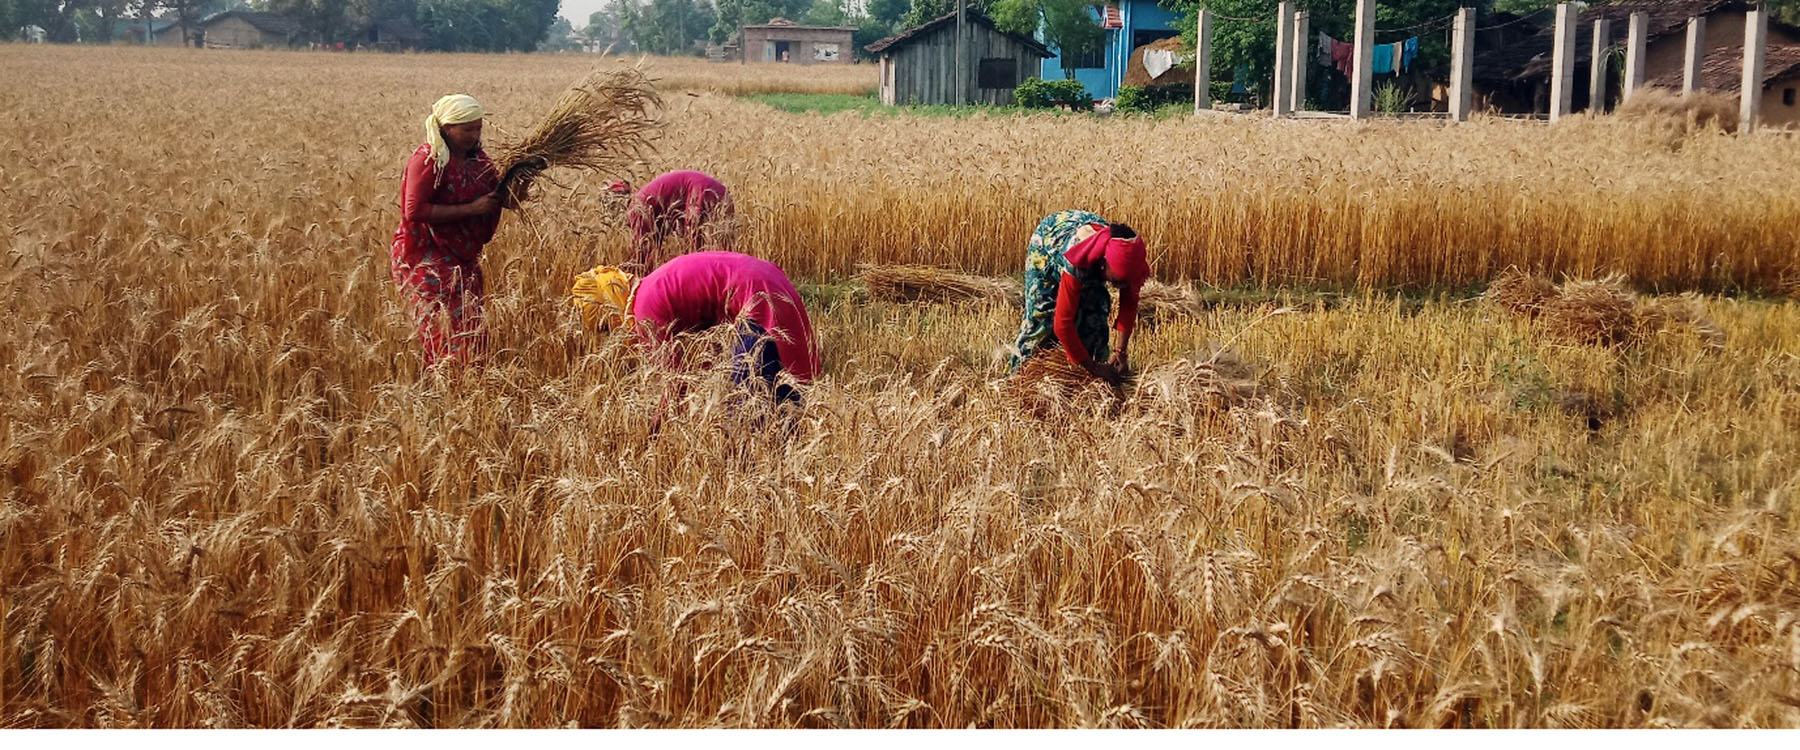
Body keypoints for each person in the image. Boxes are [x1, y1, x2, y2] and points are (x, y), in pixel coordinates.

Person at [571, 251, 819, 428]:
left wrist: (655, 430)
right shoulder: (652, 286)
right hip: (765, 278)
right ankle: (789, 452)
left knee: (744, 403)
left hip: (753, 292)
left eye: (605, 326)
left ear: (608, 303)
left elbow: (675, 381)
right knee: (778, 383)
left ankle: (757, 468)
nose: (612, 331)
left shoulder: (644, 310)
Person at [389, 94, 524, 369]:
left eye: (478, 128)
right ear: (446, 128)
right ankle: (443, 388)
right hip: (427, 256)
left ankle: (467, 389)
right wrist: (473, 209)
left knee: (471, 329)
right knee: (441, 331)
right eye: (467, 129)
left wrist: (519, 184)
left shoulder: (478, 160)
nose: (474, 135)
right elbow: (413, 211)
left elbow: (498, 197)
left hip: (464, 258)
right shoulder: (428, 159)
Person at [1008, 210, 1152, 386]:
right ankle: (1017, 379)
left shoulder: (1131, 260)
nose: (1120, 287)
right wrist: (1092, 367)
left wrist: (1120, 351)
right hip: (1047, 246)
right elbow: (1062, 324)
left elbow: (1128, 306)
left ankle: (1094, 384)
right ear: (1103, 264)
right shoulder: (1077, 261)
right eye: (1117, 281)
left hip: (1093, 254)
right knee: (1042, 318)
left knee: (1095, 318)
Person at [610, 170, 734, 267]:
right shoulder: (643, 200)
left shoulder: (636, 208)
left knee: (695, 251)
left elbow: (644, 252)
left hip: (700, 190)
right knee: (719, 247)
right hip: (717, 190)